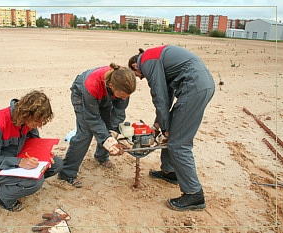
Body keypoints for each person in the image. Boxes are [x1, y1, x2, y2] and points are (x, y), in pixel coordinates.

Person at [128, 45, 215, 211]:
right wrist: (159, 124)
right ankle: (170, 172)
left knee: (178, 143)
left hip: (194, 87)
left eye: (137, 76)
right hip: (199, 85)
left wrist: (165, 128)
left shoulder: (147, 62)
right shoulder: (153, 57)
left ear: (135, 66)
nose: (140, 78)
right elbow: (166, 95)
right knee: (173, 132)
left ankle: (194, 194)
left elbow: (159, 97)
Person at [0, 90, 63, 212]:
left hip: (19, 155)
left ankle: (13, 184)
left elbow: (34, 141)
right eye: (37, 121)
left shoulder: (27, 121)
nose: (38, 125)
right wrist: (19, 162)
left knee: (57, 164)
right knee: (35, 182)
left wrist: (44, 155)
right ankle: (1, 195)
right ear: (27, 115)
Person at [58, 63, 137, 188]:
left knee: (107, 125)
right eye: (122, 96)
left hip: (106, 94)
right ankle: (67, 171)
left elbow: (119, 112)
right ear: (111, 85)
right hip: (82, 94)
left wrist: (112, 132)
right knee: (85, 133)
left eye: (126, 97)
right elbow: (92, 118)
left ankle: (102, 155)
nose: (124, 99)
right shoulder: (92, 84)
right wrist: (107, 139)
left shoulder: (125, 83)